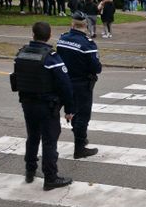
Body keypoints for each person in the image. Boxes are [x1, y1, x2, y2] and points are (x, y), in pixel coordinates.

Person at [10, 22, 74, 190]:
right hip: (47, 106)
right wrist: (69, 110)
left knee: (32, 137)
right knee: (49, 141)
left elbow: (17, 78)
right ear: (50, 35)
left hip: (27, 104)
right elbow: (65, 85)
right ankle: (50, 178)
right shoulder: (51, 57)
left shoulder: (21, 54)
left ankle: (30, 170)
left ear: (33, 35)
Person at [56, 11, 101, 159]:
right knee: (83, 115)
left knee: (73, 111)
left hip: (64, 82)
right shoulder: (88, 44)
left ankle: (80, 136)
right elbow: (96, 68)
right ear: (86, 25)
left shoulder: (62, 39)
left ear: (72, 24)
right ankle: (80, 148)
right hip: (81, 84)